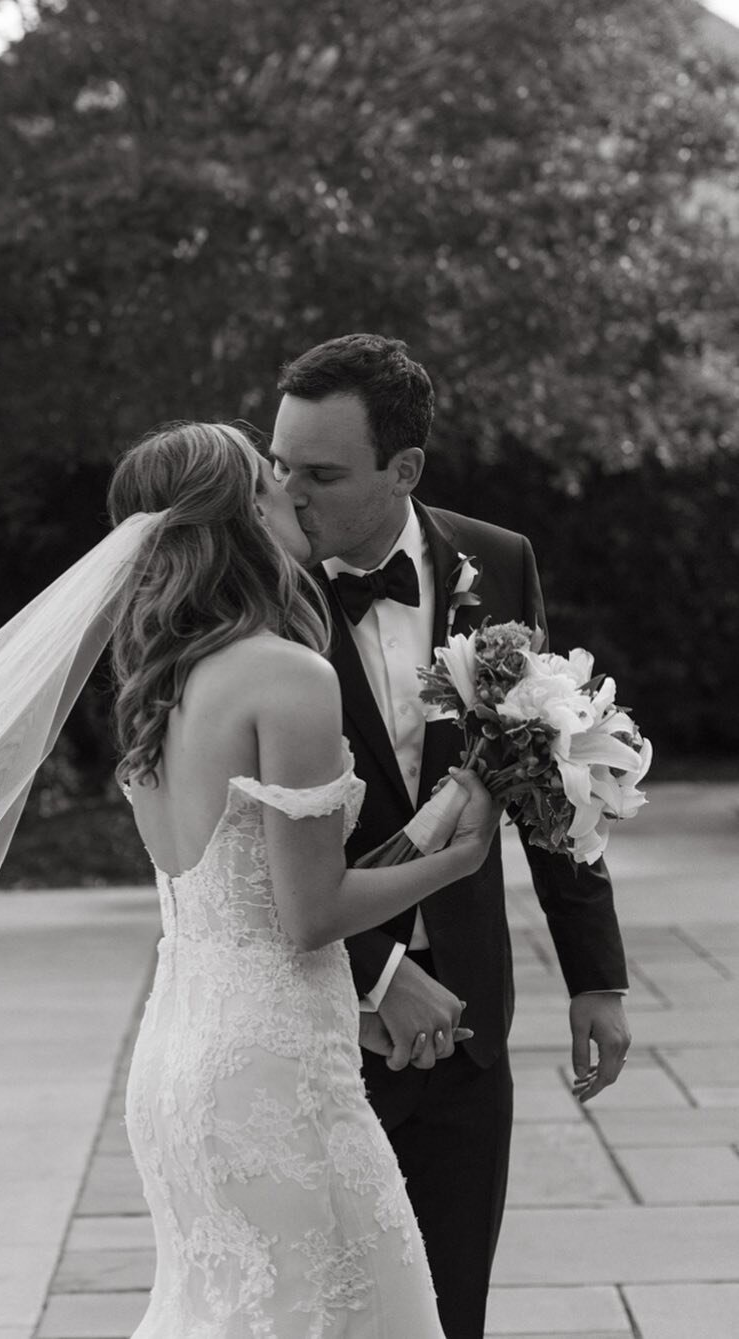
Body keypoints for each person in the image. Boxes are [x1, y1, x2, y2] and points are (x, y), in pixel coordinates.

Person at [270, 333, 632, 1339]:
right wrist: (380, 970)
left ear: (406, 469)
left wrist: (595, 974)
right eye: (278, 467)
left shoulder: (500, 563)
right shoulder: (251, 588)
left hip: (471, 1028)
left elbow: (552, 776)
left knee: (446, 1313)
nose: (291, 497)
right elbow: (238, 837)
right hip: (312, 1019)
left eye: (322, 474)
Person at [107, 420, 501, 1339]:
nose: (290, 490)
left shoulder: (156, 682)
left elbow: (233, 900)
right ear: (242, 517)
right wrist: (459, 857)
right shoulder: (288, 674)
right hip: (275, 1083)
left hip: (178, 1065)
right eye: (268, 479)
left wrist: (431, 821)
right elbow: (308, 914)